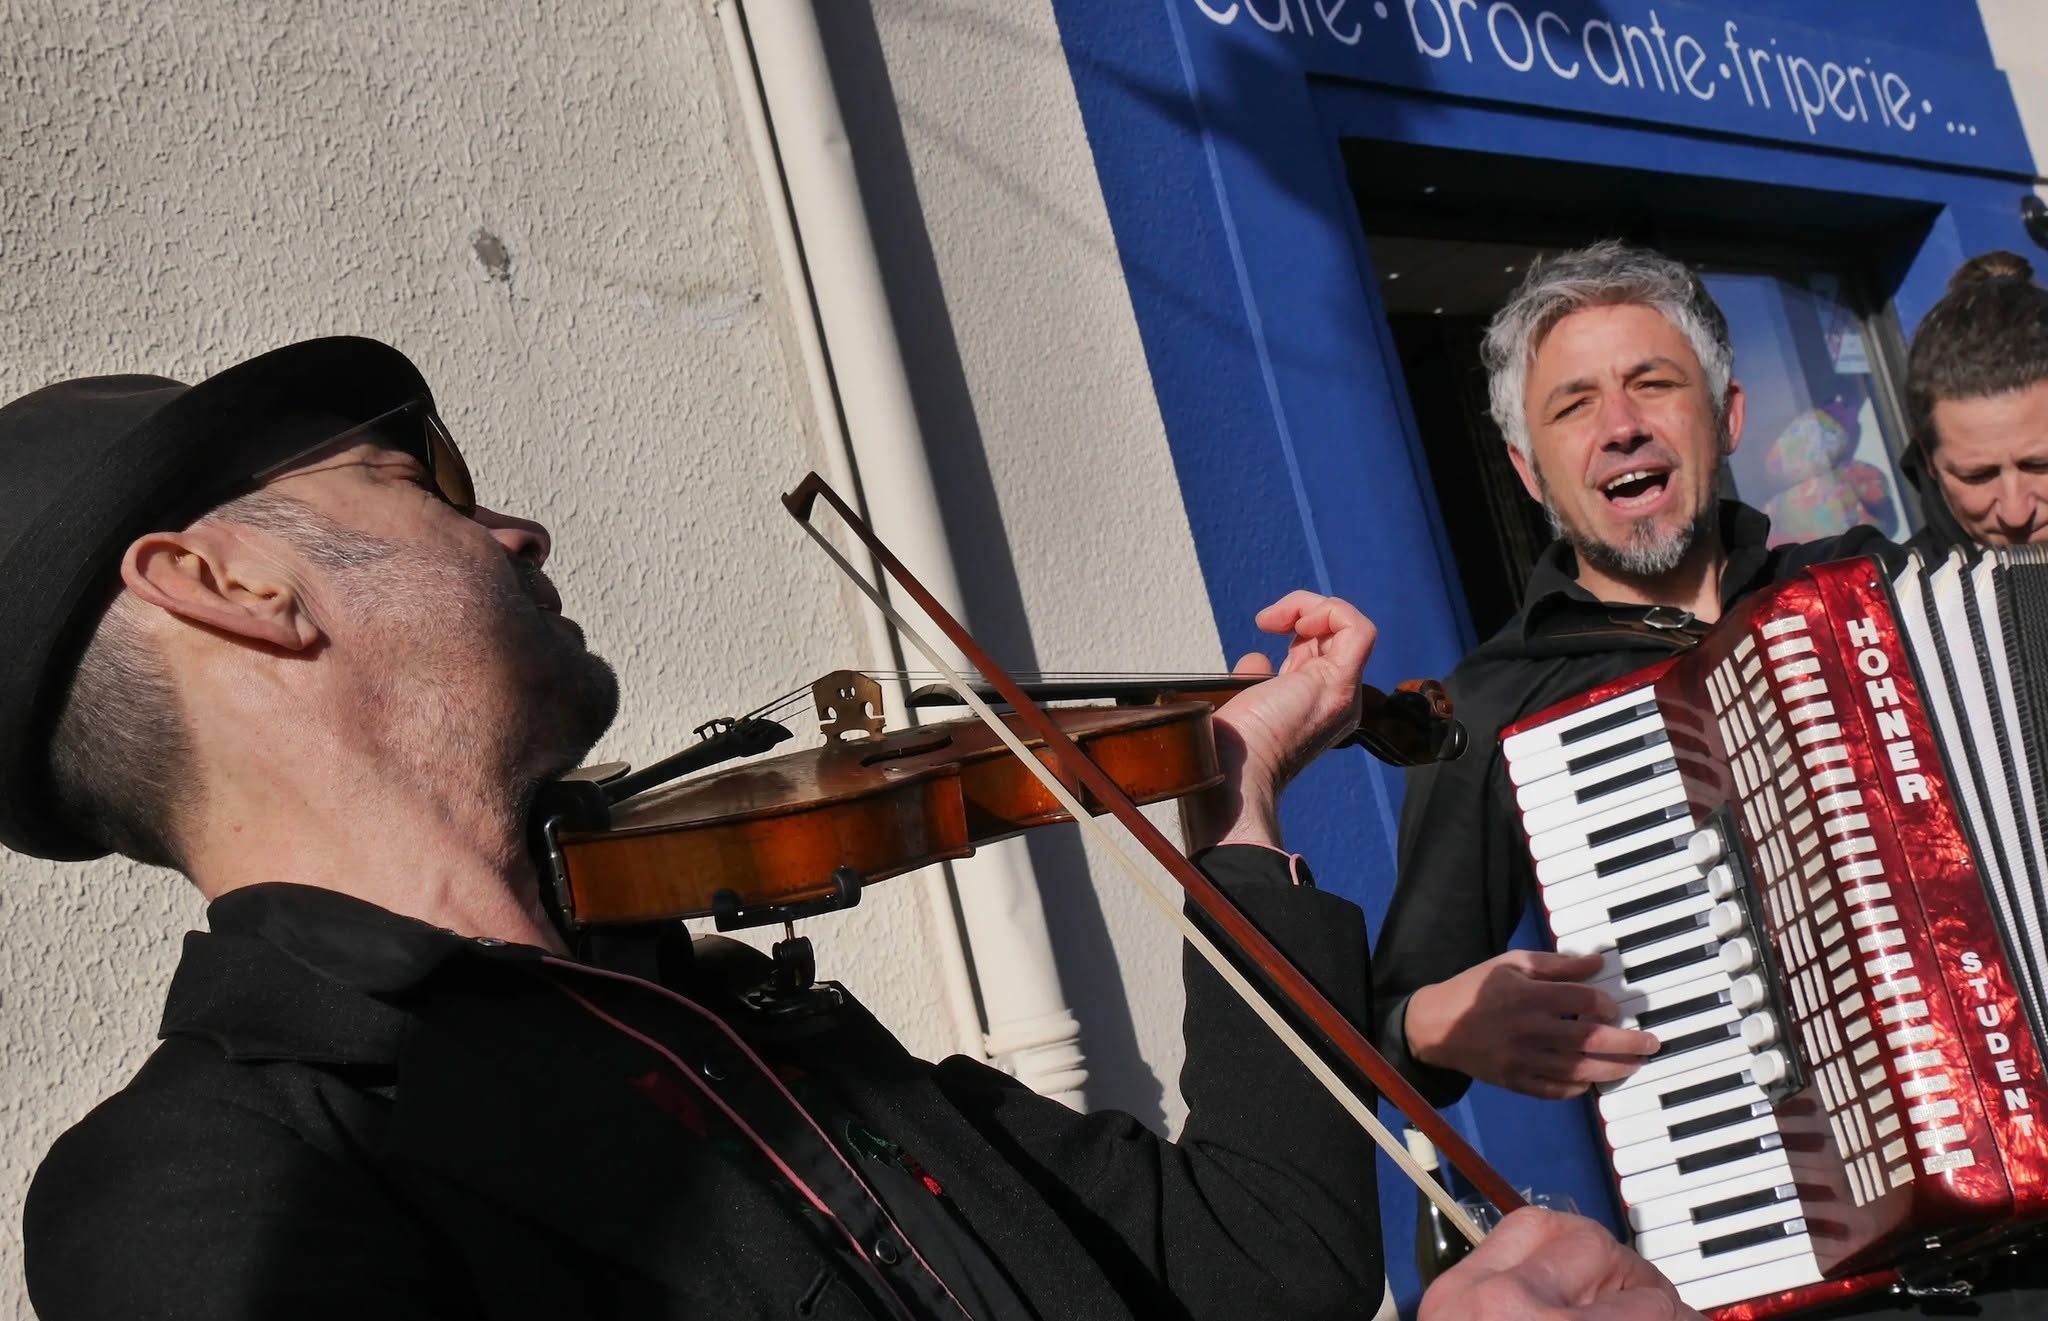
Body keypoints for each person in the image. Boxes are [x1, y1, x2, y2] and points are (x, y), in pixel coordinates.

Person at [2, 337, 1688, 1319]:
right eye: (420, 479)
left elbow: (1262, 1267)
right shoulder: (201, 1193)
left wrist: (1237, 810)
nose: (510, 525)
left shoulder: (733, 1022)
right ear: (227, 588)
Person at [1373, 241, 2048, 1315]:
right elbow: (1390, 1024)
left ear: (1724, 417)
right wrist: (1425, 1025)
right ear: (1526, 468)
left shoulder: (1872, 586)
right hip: (1823, 1274)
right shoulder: (1499, 706)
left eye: (1651, 384)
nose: (1620, 424)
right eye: (1572, 405)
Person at [1902, 250, 2048, 550]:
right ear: (1929, 460)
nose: (2016, 513)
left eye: (2040, 465)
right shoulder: (1891, 594)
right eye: (1978, 476)